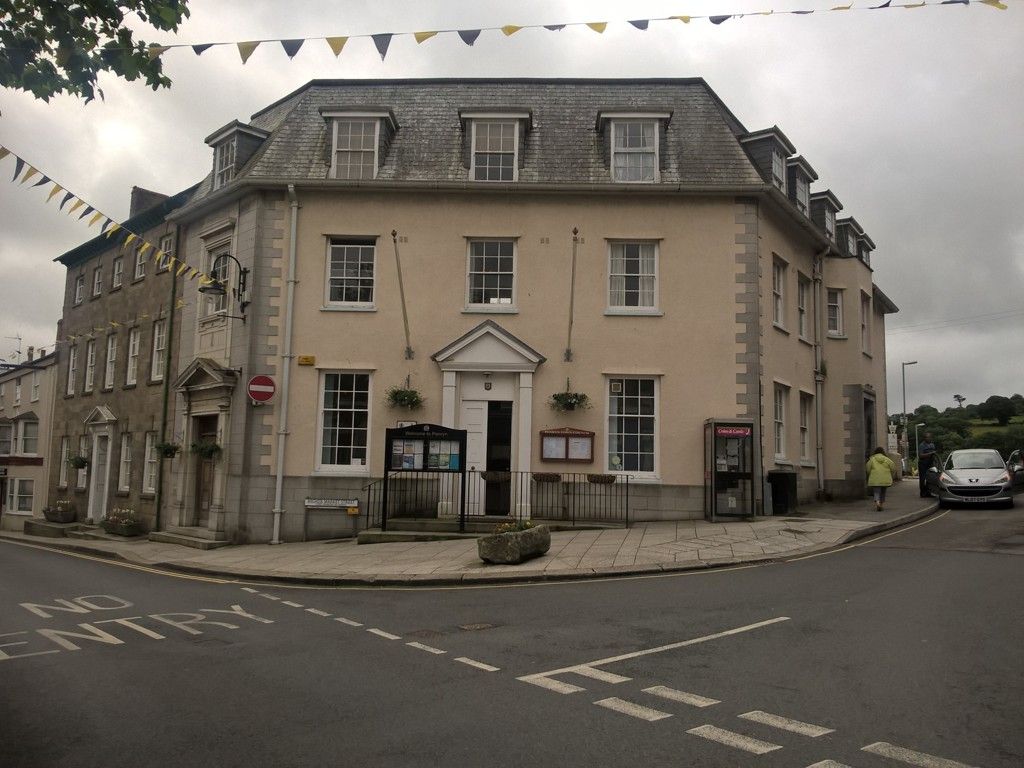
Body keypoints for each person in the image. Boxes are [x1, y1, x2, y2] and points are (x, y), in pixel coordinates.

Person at [866, 446, 897, 512]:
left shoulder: (872, 459)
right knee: (883, 492)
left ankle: (877, 503)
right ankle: (881, 504)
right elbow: (893, 468)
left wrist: (870, 474)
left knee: (876, 492)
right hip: (885, 479)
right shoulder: (887, 459)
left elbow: (868, 468)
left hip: (875, 479)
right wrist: (891, 474)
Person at [917, 432, 937, 497]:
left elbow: (934, 454)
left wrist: (935, 461)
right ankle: (922, 493)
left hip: (931, 463)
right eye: (927, 437)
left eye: (929, 437)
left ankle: (929, 492)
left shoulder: (932, 445)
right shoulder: (922, 445)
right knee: (923, 479)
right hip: (923, 464)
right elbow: (920, 455)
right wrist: (930, 453)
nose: (929, 438)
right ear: (924, 438)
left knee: (931, 478)